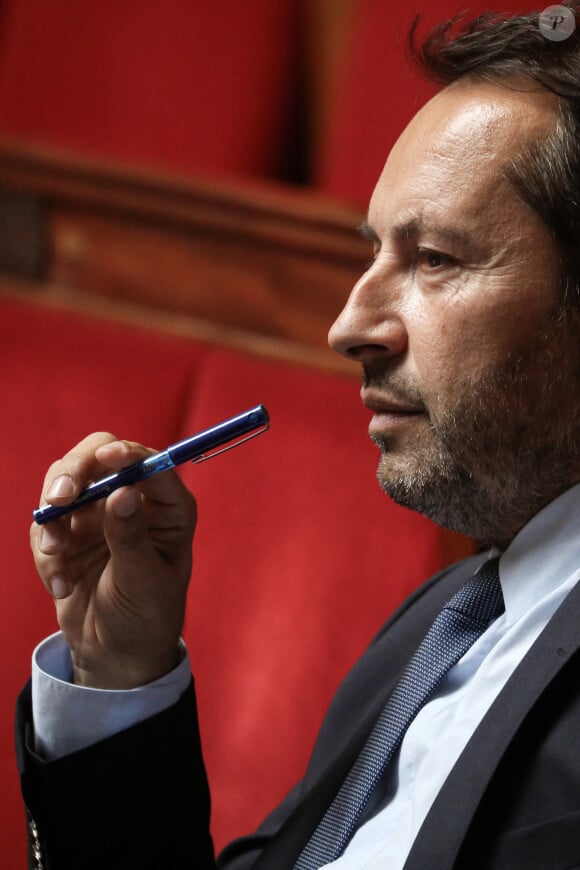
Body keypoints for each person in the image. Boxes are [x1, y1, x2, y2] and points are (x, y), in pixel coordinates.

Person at [16, 5, 580, 869]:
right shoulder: (445, 621)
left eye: (434, 259)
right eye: (373, 252)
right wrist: (117, 672)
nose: (349, 324)